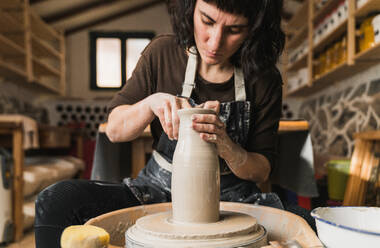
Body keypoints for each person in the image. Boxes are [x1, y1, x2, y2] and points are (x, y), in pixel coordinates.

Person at [35, 1, 313, 247]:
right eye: (207, 21)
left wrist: (227, 146)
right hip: (155, 189)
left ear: (255, 28)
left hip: (234, 198)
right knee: (56, 200)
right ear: (191, 7)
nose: (215, 42)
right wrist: (150, 103)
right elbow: (116, 130)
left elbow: (261, 169)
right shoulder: (162, 52)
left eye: (234, 30)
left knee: (311, 224)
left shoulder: (264, 78)